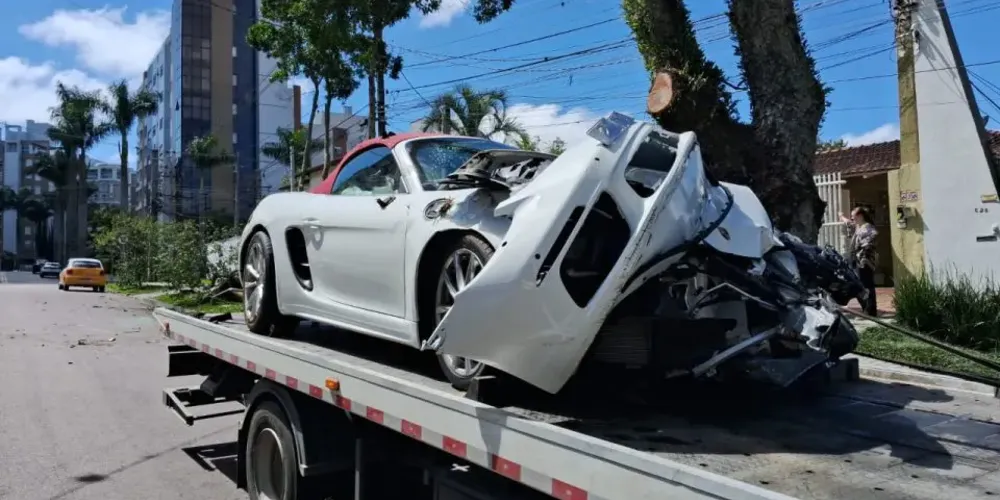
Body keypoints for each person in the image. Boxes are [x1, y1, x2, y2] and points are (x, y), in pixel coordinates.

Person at [840, 206, 879, 316]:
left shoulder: (868, 228)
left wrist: (860, 249)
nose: (852, 219)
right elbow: (849, 223)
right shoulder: (859, 226)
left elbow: (871, 238)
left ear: (860, 216)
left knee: (866, 285)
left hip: (864, 261)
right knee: (859, 285)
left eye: (853, 217)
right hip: (857, 260)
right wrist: (841, 217)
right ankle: (866, 308)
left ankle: (870, 311)